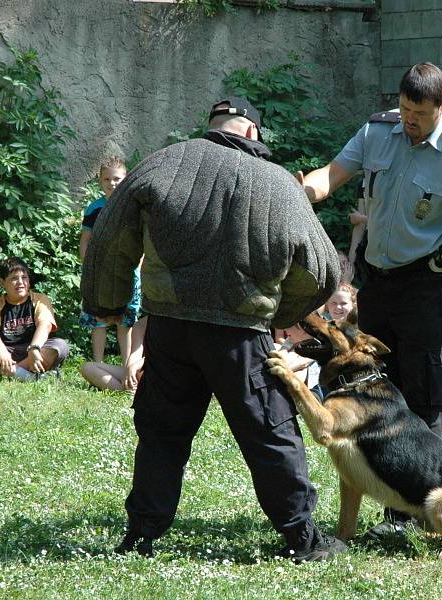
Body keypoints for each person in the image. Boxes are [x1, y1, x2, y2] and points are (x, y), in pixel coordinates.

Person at [81, 97, 344, 562]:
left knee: (162, 432)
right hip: (240, 335)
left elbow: (108, 236)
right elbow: (322, 271)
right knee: (269, 433)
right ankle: (302, 538)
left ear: (214, 127)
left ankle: (141, 534)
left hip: (171, 327)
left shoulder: (162, 163)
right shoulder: (278, 183)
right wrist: (280, 314)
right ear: (251, 134)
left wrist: (108, 304)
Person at [297, 62, 442, 539]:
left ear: (441, 108)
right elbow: (333, 174)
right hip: (379, 280)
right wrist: (306, 190)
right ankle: (387, 492)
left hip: (427, 284)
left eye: (420, 113)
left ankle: (407, 513)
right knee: (375, 383)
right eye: (405, 108)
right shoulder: (378, 129)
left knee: (426, 391)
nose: (409, 119)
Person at [79, 157, 141, 363]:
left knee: (126, 322)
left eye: (117, 179)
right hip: (99, 274)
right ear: (100, 181)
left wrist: (139, 266)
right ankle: (97, 363)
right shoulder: (94, 208)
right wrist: (88, 267)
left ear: (126, 179)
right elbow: (85, 240)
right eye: (107, 179)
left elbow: (140, 240)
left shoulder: (133, 206)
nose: (112, 183)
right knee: (99, 322)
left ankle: (127, 367)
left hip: (127, 272)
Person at [0, 257, 69, 381]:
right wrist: (1, 350)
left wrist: (34, 348)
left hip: (34, 352)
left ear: (29, 281)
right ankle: (29, 377)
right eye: (14, 278)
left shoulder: (39, 299)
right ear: (2, 283)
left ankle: (1, 373)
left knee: (60, 346)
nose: (20, 282)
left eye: (24, 277)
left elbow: (45, 325)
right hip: (5, 353)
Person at [80, 316, 147, 392]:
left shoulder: (162, 325)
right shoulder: (141, 325)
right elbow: (136, 353)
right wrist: (130, 370)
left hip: (157, 374)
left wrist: (135, 366)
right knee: (88, 368)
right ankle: (130, 390)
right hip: (141, 372)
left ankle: (138, 391)